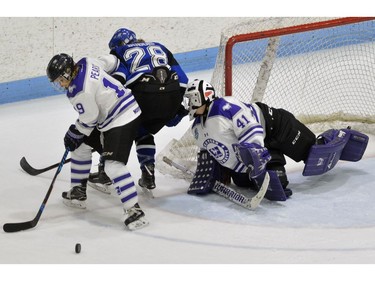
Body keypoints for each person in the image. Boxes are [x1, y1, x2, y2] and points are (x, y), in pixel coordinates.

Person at [183, 79, 369, 201]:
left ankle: (339, 138)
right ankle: (272, 157)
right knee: (268, 185)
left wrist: (256, 157)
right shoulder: (197, 129)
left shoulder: (225, 106)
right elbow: (215, 153)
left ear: (203, 97)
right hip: (264, 146)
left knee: (316, 155)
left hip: (276, 126)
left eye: (192, 99)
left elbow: (251, 130)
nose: (189, 104)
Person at [46, 53, 148, 230]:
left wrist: (75, 131)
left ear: (68, 72)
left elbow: (90, 119)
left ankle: (134, 211)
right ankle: (78, 192)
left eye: (60, 80)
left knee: (113, 166)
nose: (60, 84)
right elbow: (114, 61)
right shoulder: (87, 62)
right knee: (80, 148)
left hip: (122, 118)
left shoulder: (80, 92)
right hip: (114, 115)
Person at [88, 27, 189, 193]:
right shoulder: (159, 46)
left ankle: (104, 173)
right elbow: (183, 79)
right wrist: (177, 108)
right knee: (144, 129)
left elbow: (118, 81)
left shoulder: (118, 52)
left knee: (113, 127)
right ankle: (148, 173)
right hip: (171, 96)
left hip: (143, 95)